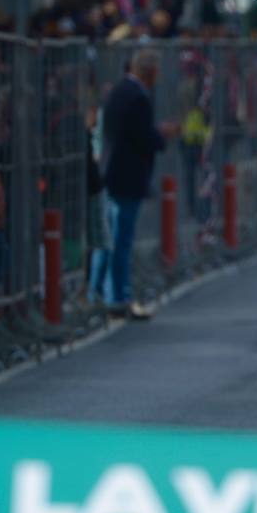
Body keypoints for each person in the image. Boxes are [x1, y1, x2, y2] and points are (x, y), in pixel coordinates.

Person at [92, 49, 174, 320]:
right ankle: (119, 297)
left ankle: (97, 293)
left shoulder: (118, 91)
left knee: (107, 238)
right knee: (120, 240)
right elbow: (142, 138)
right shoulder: (138, 97)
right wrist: (161, 136)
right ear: (149, 71)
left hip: (113, 173)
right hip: (127, 176)